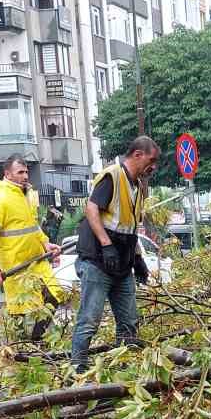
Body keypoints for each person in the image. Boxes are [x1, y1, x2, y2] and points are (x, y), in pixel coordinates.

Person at [70, 136, 159, 373]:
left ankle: (125, 370)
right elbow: (91, 209)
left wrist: (138, 258)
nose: (154, 166)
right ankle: (77, 373)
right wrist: (106, 244)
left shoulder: (138, 187)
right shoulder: (113, 176)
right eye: (152, 160)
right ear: (138, 155)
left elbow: (130, 228)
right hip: (98, 263)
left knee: (129, 323)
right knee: (89, 322)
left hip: (123, 266)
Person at [0, 154, 64, 342]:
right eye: (20, 172)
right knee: (19, 310)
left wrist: (46, 243)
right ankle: (19, 348)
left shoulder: (24, 196)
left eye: (26, 172)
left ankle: (35, 342)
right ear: (7, 174)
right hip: (16, 267)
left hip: (36, 262)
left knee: (54, 296)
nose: (26, 176)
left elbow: (32, 226)